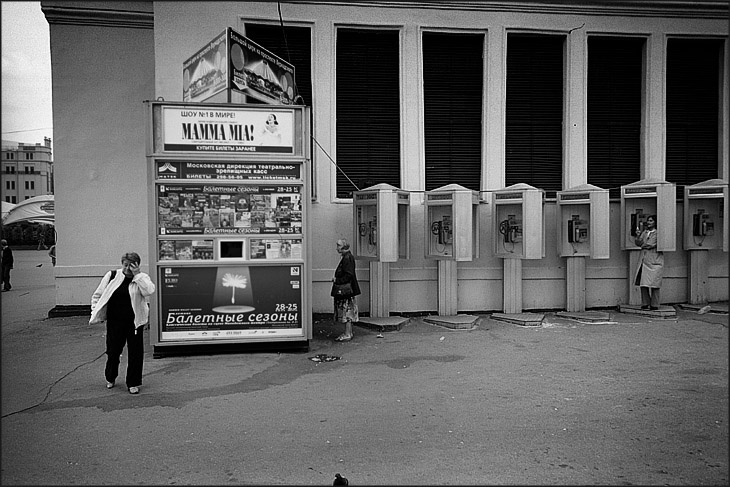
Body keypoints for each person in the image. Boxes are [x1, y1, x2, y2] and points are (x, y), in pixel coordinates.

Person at [89, 252, 156, 394]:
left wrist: (137, 275)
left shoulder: (141, 278)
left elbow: (149, 291)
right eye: (125, 265)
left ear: (137, 266)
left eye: (131, 266)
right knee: (113, 351)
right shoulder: (112, 276)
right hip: (115, 322)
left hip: (134, 322)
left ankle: (133, 382)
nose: (127, 269)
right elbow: (98, 295)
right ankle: (110, 377)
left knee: (135, 353)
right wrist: (96, 312)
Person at [330, 239, 361, 342]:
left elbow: (349, 275)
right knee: (348, 311)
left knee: (346, 311)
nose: (337, 247)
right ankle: (349, 332)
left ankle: (347, 333)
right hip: (349, 290)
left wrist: (337, 280)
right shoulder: (347, 257)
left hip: (346, 290)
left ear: (344, 247)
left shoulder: (347, 258)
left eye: (338, 245)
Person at [634, 215, 663, 310]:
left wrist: (643, 245)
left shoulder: (657, 233)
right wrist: (638, 235)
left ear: (655, 222)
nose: (648, 222)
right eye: (648, 221)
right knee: (643, 283)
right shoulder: (645, 232)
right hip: (644, 260)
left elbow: (650, 244)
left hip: (654, 260)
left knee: (654, 283)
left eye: (651, 221)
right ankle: (645, 303)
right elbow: (638, 243)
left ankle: (655, 304)